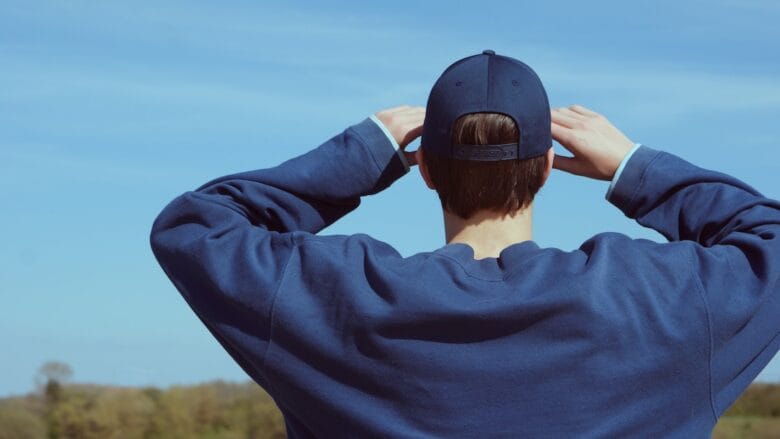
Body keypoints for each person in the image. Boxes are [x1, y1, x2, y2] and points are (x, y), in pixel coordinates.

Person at [149, 50, 780, 438]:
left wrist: (358, 155)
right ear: (545, 169)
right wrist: (637, 168)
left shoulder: (335, 299)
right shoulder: (661, 301)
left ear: (423, 170)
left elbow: (196, 227)